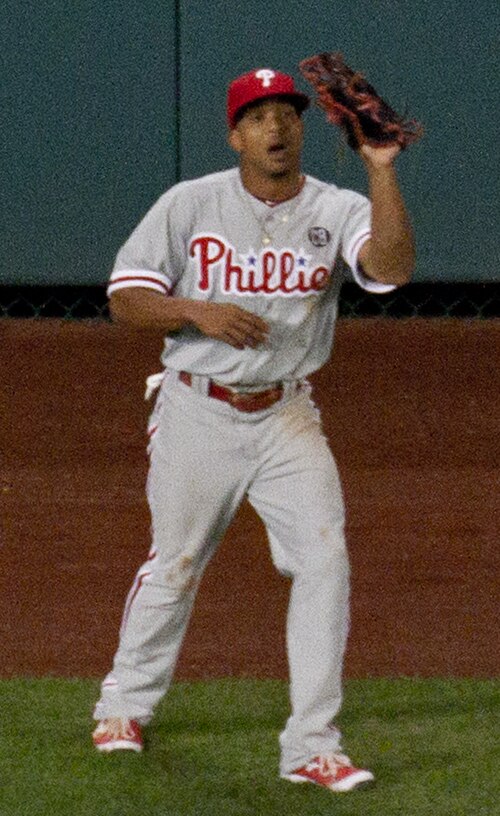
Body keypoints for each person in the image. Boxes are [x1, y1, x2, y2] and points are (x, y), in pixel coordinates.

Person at [92, 67, 414, 794]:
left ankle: (311, 745)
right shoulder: (191, 203)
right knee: (175, 563)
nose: (276, 128)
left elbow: (390, 269)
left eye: (288, 116)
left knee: (325, 561)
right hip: (196, 408)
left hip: (287, 415)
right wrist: (196, 311)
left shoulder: (338, 206)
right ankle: (124, 704)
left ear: (303, 131)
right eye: (259, 116)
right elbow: (125, 298)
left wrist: (381, 170)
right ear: (236, 135)